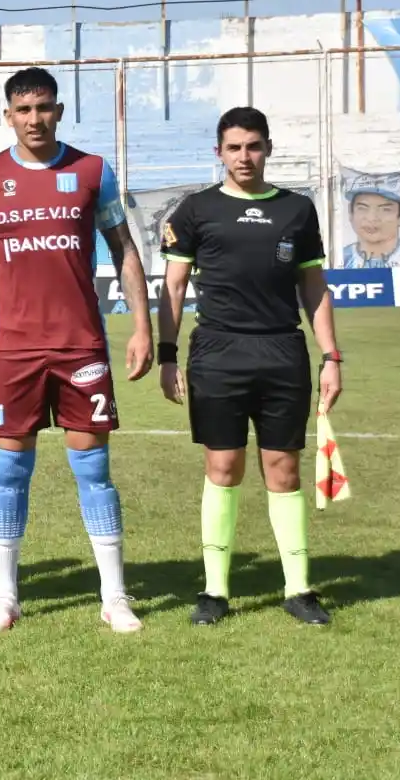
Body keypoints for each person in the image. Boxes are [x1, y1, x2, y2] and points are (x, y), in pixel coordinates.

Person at [0, 66, 153, 635]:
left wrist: (142, 327)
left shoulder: (92, 171)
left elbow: (125, 249)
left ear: (58, 111)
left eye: (43, 108)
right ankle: (5, 598)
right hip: (13, 349)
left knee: (94, 469)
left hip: (79, 345)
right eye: (23, 109)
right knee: (9, 472)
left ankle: (114, 597)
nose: (34, 119)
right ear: (8, 115)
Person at [157, 106, 341, 627]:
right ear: (219, 152)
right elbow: (173, 287)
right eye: (234, 147)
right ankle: (214, 591)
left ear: (268, 149)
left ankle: (299, 589)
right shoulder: (195, 210)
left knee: (284, 469)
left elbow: (314, 288)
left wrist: (331, 357)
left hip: (283, 352)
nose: (244, 156)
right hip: (217, 354)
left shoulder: (297, 210)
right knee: (223, 467)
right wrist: (168, 356)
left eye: (254, 146)